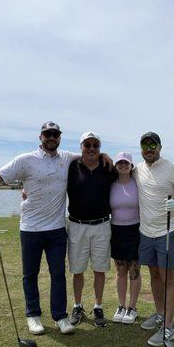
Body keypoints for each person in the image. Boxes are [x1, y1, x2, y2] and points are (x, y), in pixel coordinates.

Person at [0, 122, 111, 336]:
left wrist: (104, 154)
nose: (52, 137)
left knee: (58, 274)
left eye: (56, 134)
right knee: (30, 274)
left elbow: (88, 154)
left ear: (59, 137)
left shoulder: (66, 158)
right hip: (30, 228)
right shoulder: (25, 160)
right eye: (48, 134)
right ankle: (33, 315)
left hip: (57, 228)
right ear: (41, 136)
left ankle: (60, 316)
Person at [133, 131, 174, 346]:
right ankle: (159, 313)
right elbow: (117, 172)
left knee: (168, 278)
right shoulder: (137, 170)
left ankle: (168, 327)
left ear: (160, 147)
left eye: (152, 146)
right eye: (144, 146)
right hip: (145, 232)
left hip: (168, 231)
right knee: (155, 275)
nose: (148, 150)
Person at [67, 132, 116, 328]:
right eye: (87, 145)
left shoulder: (108, 167)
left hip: (102, 225)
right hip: (77, 225)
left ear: (100, 148)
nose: (92, 148)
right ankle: (77, 306)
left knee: (99, 269)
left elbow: (127, 176)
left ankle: (98, 306)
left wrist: (108, 156)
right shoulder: (71, 167)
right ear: (81, 147)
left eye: (96, 145)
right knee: (77, 270)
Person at [110, 152, 141, 324]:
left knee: (134, 270)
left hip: (135, 230)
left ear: (131, 166)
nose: (123, 165)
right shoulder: (111, 184)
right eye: (120, 162)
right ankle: (121, 306)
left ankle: (132, 307)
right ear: (115, 165)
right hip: (116, 231)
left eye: (126, 163)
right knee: (121, 271)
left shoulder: (138, 183)